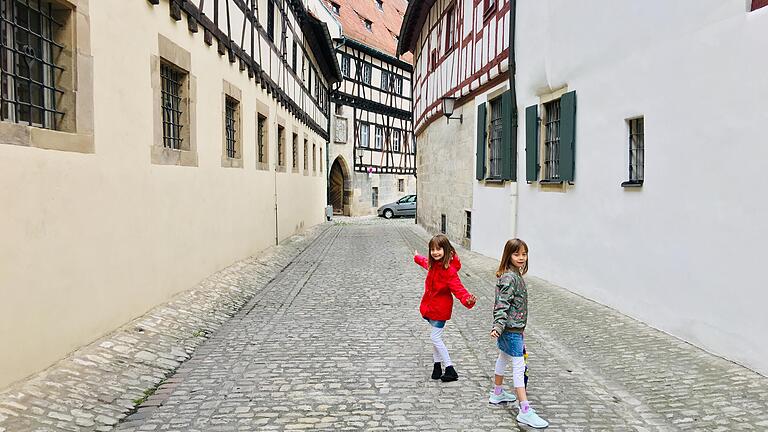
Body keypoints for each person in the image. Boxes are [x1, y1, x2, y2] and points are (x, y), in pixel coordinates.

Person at [489, 239, 548, 428]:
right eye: (517, 254)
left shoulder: (514, 275)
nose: (521, 258)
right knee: (518, 366)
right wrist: (498, 326)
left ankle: (497, 393)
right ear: (508, 255)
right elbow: (502, 305)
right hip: (510, 329)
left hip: (513, 329)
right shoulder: (509, 278)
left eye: (524, 254)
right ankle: (524, 410)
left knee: (503, 357)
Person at [414, 234, 476, 382]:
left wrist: (468, 300)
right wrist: (417, 257)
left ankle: (450, 368)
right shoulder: (433, 264)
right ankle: (437, 367)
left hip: (440, 310)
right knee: (436, 338)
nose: (435, 252)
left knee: (434, 337)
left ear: (446, 250)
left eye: (439, 249)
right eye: (433, 249)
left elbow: (458, 288)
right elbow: (424, 262)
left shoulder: (449, 270)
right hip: (430, 308)